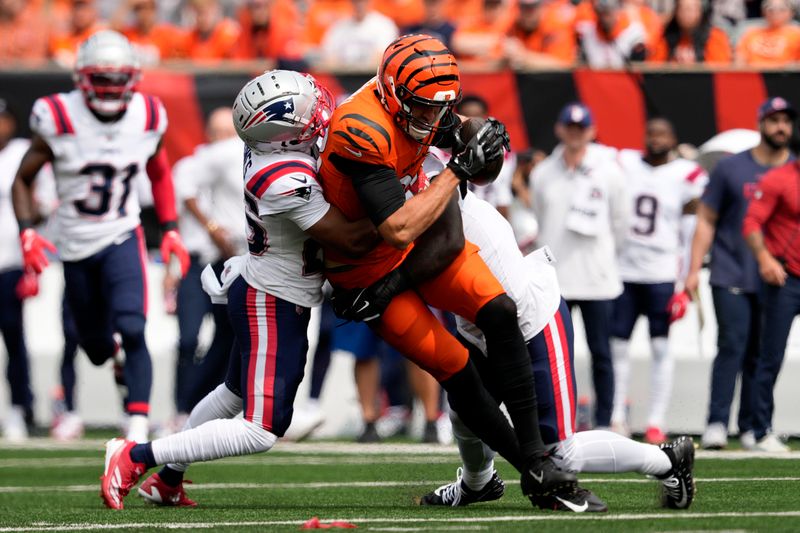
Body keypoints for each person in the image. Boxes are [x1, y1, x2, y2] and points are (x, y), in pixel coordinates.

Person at [99, 69, 378, 510]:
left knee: (231, 394)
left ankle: (168, 480)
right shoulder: (282, 174)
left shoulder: (269, 146)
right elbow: (352, 239)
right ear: (283, 133)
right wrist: (405, 200)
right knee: (261, 428)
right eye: (306, 110)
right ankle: (137, 455)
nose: (319, 110)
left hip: (266, 287)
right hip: (273, 298)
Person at [321, 34, 576, 504]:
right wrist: (457, 169)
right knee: (456, 368)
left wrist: (483, 138)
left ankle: (536, 459)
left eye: (439, 108)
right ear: (394, 93)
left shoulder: (424, 104)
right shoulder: (361, 127)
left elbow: (475, 162)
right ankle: (532, 470)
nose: (429, 119)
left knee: (499, 312)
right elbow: (396, 228)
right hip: (367, 269)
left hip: (418, 246)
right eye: (420, 108)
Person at [419, 154, 696, 512]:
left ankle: (668, 460)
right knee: (464, 411)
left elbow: (428, 244)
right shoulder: (403, 185)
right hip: (476, 323)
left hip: (530, 319)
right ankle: (478, 482)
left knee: (558, 455)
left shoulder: (437, 190)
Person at [11, 30, 191, 444]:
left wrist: (169, 229)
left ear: (133, 78)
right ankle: (114, 363)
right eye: (102, 78)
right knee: (93, 347)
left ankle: (138, 429)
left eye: (118, 78)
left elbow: (159, 171)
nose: (110, 88)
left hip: (120, 234)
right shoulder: (57, 115)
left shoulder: (147, 114)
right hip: (73, 242)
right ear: (81, 78)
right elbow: (22, 179)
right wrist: (27, 233)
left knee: (132, 325)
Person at [684, 97, 795, 450]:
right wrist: (692, 269)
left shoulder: (794, 170)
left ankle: (752, 425)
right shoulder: (731, 169)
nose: (781, 127)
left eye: (786, 121)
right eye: (774, 120)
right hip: (732, 269)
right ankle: (717, 422)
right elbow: (706, 219)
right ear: (761, 123)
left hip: (777, 277)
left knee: (762, 353)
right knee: (731, 344)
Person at [531, 102, 628, 431]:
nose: (575, 134)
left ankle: (604, 422)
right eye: (569, 128)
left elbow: (620, 223)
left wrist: (605, 258)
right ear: (560, 129)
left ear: (590, 130)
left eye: (581, 128)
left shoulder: (609, 171)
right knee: (559, 358)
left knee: (602, 352)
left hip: (598, 279)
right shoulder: (543, 172)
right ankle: (564, 422)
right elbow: (542, 218)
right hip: (558, 279)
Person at [611, 118, 707, 444]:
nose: (656, 139)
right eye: (651, 133)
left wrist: (686, 279)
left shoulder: (686, 174)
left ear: (674, 138)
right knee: (617, 347)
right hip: (624, 271)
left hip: (662, 274)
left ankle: (655, 420)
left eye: (663, 134)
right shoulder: (625, 163)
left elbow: (693, 228)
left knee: (661, 347)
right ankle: (616, 417)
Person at [168, 107, 244, 428]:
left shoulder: (240, 161)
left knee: (227, 338)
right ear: (209, 135)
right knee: (188, 339)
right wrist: (213, 228)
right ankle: (182, 407)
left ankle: (203, 405)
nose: (226, 140)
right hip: (195, 260)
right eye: (220, 133)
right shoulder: (197, 164)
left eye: (231, 134)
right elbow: (182, 197)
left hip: (228, 260)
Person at [741, 142, 800, 453]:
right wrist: (765, 259)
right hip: (786, 278)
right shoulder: (779, 178)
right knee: (770, 357)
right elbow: (751, 222)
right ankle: (760, 429)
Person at [0, 98, 40, 441]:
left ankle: (19, 408)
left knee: (13, 336)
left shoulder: (21, 153)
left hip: (11, 260)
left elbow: (42, 203)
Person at [455, 95, 515, 220]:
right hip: (456, 218)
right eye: (467, 115)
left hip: (488, 218)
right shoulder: (439, 151)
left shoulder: (501, 151)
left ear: (486, 117)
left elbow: (502, 197)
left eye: (477, 116)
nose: (472, 121)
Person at [319, 0, 399, 69]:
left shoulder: (384, 24)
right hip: (344, 78)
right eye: (355, 1)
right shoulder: (338, 27)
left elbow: (382, 58)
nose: (359, 5)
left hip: (371, 78)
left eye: (362, 1)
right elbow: (329, 58)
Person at [649, 0, 732, 64]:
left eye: (691, 9)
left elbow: (720, 70)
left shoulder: (715, 37)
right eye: (683, 9)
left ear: (700, 11)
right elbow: (654, 67)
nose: (687, 14)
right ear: (676, 12)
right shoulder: (666, 36)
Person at [574, 0, 648, 68]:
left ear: (617, 12)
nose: (605, 19)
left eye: (608, 13)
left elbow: (638, 66)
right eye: (602, 13)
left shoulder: (633, 32)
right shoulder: (588, 33)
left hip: (623, 79)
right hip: (596, 79)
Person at [735, 0, 800, 67]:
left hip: (785, 75)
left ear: (791, 13)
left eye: (782, 9)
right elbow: (740, 59)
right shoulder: (751, 34)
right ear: (763, 12)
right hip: (754, 74)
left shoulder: (797, 35)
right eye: (770, 9)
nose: (775, 13)